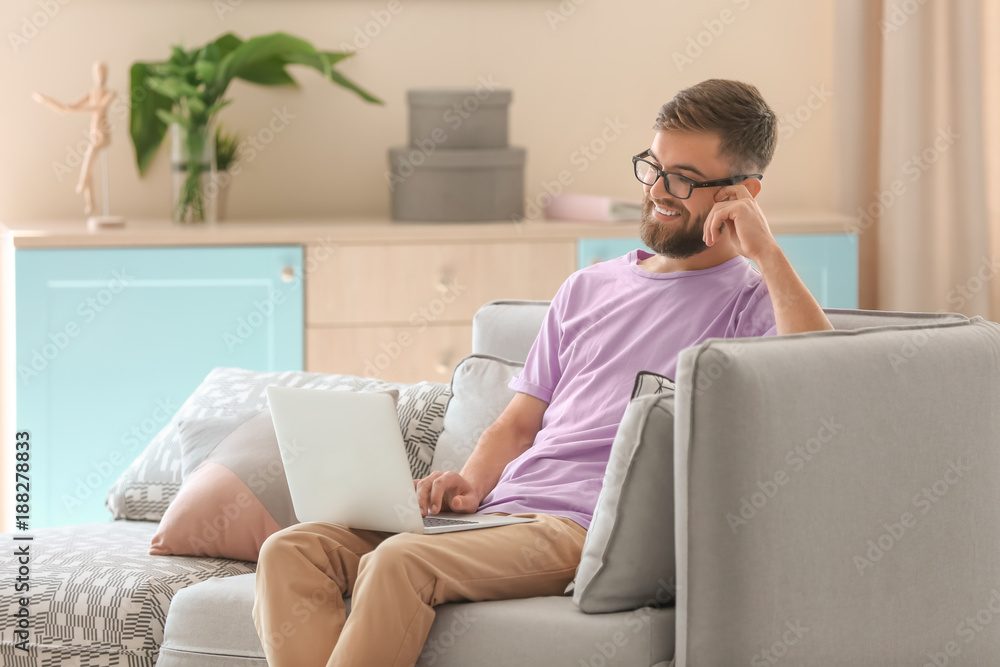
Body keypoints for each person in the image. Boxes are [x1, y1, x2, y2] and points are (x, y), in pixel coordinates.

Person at [251, 78, 834, 667]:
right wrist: (472, 482)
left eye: (682, 178)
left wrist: (767, 252)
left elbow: (821, 377)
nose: (657, 190)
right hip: (500, 515)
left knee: (400, 562)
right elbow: (518, 424)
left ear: (744, 193)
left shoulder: (751, 302)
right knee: (292, 552)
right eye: (652, 166)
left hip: (585, 529)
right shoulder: (587, 288)